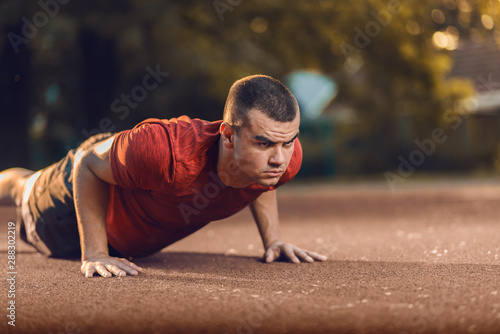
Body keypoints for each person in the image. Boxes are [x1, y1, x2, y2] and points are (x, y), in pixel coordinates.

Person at [0, 74, 327, 278]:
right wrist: (96, 254)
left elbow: (262, 182)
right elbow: (87, 163)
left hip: (126, 206)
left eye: (289, 141)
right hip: (74, 199)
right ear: (228, 136)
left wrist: (274, 240)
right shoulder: (167, 151)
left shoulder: (283, 158)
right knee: (22, 188)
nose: (280, 158)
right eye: (265, 143)